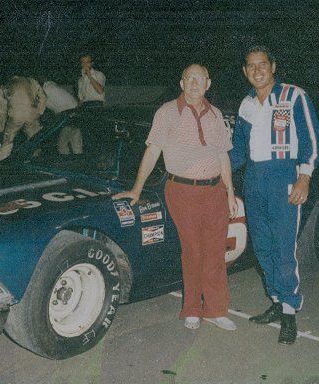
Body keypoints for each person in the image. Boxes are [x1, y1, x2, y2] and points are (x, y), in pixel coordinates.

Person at [112, 64, 238, 331]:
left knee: (216, 251)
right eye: (189, 79)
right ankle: (192, 308)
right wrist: (136, 188)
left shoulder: (216, 115)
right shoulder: (167, 112)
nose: (194, 84)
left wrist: (229, 192)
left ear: (208, 84)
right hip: (182, 191)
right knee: (192, 251)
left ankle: (216, 309)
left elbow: (222, 155)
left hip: (215, 191)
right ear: (181, 84)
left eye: (200, 79)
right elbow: (153, 151)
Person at [230, 45, 319, 345]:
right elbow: (238, 150)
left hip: (284, 178)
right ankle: (276, 301)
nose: (257, 70)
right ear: (245, 71)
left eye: (262, 64)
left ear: (273, 66)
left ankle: (290, 314)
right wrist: (213, 172)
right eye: (251, 65)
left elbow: (311, 140)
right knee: (263, 248)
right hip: (254, 180)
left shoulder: (294, 96)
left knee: (283, 249)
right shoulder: (245, 105)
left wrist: (304, 177)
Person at [0, 76, 47, 161]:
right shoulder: (32, 81)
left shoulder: (4, 86)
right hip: (32, 114)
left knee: (8, 141)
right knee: (34, 140)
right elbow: (43, 97)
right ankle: (35, 162)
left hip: (15, 115)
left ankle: (3, 163)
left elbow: (2, 110)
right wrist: (39, 111)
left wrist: (2, 127)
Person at [42, 80, 82, 155]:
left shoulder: (46, 90)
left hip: (69, 116)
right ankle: (79, 161)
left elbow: (41, 109)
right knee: (76, 142)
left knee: (62, 144)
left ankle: (66, 163)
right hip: (76, 114)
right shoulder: (52, 87)